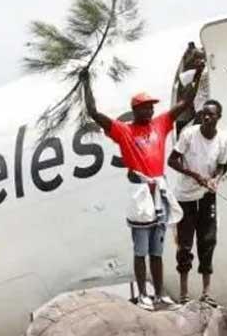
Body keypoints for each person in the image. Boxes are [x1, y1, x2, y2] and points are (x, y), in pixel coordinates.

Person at [83, 45, 205, 310]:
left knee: (157, 250)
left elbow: (185, 102)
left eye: (152, 107)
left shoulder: (160, 124)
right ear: (135, 110)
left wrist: (196, 72)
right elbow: (94, 113)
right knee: (140, 249)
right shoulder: (123, 131)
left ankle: (159, 295)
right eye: (145, 108)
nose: (150, 111)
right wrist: (86, 84)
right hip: (140, 192)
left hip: (159, 191)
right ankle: (143, 295)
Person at [168, 99, 227, 304]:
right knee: (185, 245)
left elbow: (223, 165)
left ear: (218, 118)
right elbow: (172, 160)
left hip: (206, 196)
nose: (205, 117)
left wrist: (216, 180)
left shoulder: (222, 140)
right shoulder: (189, 135)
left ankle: (206, 293)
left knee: (208, 241)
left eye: (210, 114)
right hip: (185, 196)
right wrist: (194, 175)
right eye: (203, 113)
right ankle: (184, 294)